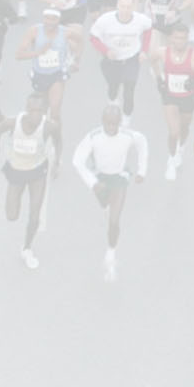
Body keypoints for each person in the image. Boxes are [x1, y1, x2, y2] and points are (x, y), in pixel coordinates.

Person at [71, 102, 149, 282]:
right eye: (108, 123)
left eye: (115, 123)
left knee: (114, 221)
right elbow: (77, 160)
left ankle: (111, 252)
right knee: (104, 204)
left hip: (119, 178)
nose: (111, 127)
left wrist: (142, 170)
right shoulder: (93, 136)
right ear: (102, 121)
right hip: (100, 179)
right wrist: (92, 182)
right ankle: (106, 207)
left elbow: (143, 143)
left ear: (120, 122)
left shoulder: (128, 135)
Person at [0, 93, 60, 270]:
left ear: (44, 112)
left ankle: (27, 248)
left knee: (35, 214)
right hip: (17, 171)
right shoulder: (13, 122)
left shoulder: (49, 127)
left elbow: (59, 140)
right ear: (26, 110)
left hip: (37, 172)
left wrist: (56, 162)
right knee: (11, 215)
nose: (35, 114)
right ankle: (25, 241)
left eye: (39, 111)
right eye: (32, 110)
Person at [151, 22, 194, 181]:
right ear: (171, 38)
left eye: (183, 38)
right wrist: (159, 79)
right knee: (174, 132)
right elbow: (152, 61)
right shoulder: (162, 52)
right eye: (177, 38)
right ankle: (171, 160)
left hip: (188, 97)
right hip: (170, 96)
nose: (180, 41)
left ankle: (181, 148)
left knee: (184, 127)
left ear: (187, 39)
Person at [87, 0, 153, 116]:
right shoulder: (105, 20)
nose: (125, 10)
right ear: (117, 5)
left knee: (129, 91)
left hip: (131, 59)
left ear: (133, 7)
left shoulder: (140, 20)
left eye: (129, 7)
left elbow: (149, 29)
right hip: (112, 61)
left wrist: (144, 50)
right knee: (113, 87)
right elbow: (93, 37)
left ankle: (127, 118)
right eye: (123, 6)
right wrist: (105, 51)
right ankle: (112, 100)